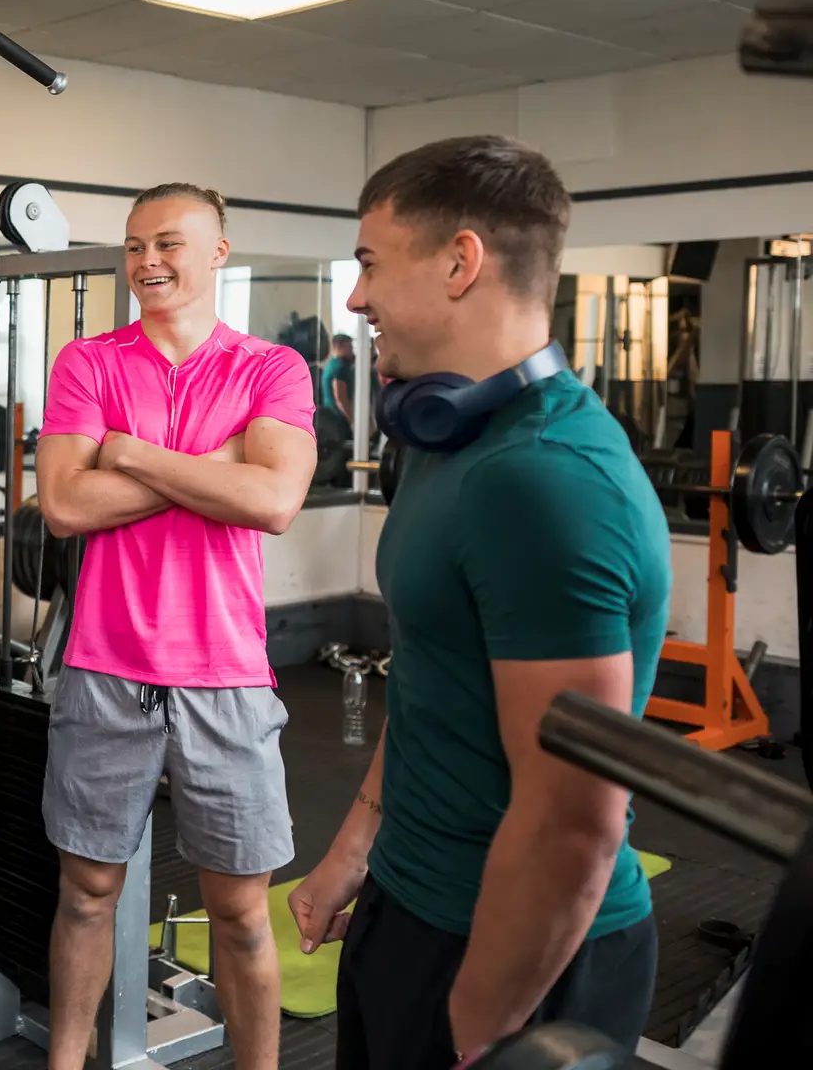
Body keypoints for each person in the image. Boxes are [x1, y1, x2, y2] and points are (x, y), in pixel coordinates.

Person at [286, 136, 669, 1068]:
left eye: (371, 264)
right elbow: (434, 675)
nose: (355, 297)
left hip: (514, 948)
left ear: (461, 261)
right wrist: (355, 848)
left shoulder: (545, 479)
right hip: (411, 903)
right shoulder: (451, 441)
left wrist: (484, 1028)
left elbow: (572, 818)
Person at [35, 183, 318, 1070]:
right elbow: (64, 506)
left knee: (238, 911)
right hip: (104, 667)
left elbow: (272, 500)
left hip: (227, 675)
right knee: (85, 894)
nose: (146, 262)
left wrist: (133, 451)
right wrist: (214, 465)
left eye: (168, 243)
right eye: (133, 246)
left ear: (219, 252)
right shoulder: (88, 363)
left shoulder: (272, 369)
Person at [322, 333, 357, 437]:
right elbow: (340, 399)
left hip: (333, 418)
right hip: (339, 419)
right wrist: (353, 421)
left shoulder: (331, 364)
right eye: (349, 347)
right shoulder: (339, 367)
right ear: (338, 346)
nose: (351, 351)